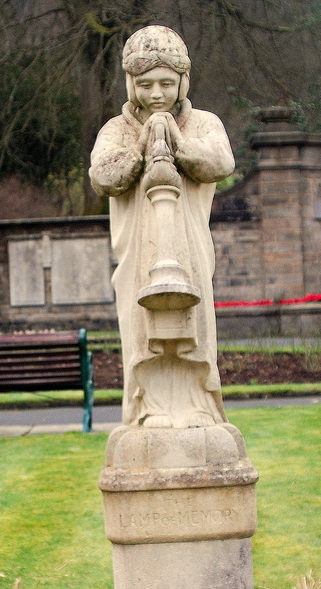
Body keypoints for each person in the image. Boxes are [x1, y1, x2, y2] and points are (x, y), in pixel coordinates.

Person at [89, 26, 234, 429]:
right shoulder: (116, 130)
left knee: (196, 328)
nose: (157, 95)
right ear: (131, 83)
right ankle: (148, 408)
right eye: (147, 84)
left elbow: (222, 163)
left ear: (183, 81)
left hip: (188, 248)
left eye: (167, 84)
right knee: (141, 333)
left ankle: (200, 408)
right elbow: (103, 177)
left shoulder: (203, 123)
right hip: (139, 253)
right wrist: (142, 146)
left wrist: (177, 142)